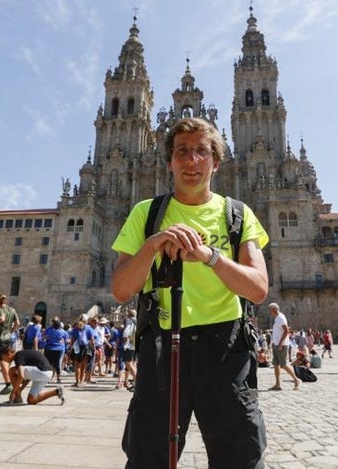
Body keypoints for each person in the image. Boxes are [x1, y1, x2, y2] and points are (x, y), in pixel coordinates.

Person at [111, 117, 269, 468]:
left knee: (239, 457)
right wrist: (152, 246)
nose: (192, 160)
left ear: (216, 161)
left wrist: (209, 256)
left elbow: (258, 289)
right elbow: (121, 289)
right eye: (182, 151)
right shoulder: (146, 213)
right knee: (148, 457)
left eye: (202, 151)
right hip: (163, 347)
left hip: (226, 349)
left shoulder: (238, 215)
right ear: (169, 160)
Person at [1, 348, 65, 405]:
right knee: (31, 400)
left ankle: (17, 397)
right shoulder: (23, 356)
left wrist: (12, 393)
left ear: (9, 353)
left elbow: (21, 376)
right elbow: (29, 378)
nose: (3, 360)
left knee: (11, 371)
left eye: (3, 357)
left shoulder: (18, 355)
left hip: (42, 372)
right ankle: (57, 391)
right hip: (47, 373)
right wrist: (20, 389)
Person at [269, 303, 301, 391]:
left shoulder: (280, 318)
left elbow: (286, 331)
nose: (269, 312)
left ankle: (296, 380)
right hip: (276, 344)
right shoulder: (277, 318)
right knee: (276, 364)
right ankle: (278, 384)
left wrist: (280, 343)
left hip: (281, 345)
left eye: (270, 310)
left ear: (274, 309)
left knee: (283, 365)